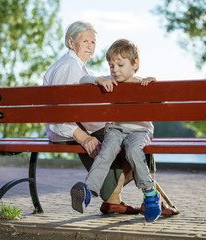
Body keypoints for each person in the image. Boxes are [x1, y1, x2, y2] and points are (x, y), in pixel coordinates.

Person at [43, 21, 157, 214]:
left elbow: (95, 81)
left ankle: (109, 196)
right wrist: (84, 137)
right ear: (71, 42)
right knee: (138, 144)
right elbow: (58, 115)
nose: (90, 46)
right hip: (77, 132)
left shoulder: (77, 67)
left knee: (122, 137)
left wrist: (132, 80)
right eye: (85, 41)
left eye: (93, 42)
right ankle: (143, 198)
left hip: (83, 128)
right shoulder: (70, 66)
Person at [70, 39, 161, 221]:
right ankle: (88, 191)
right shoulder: (111, 82)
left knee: (135, 151)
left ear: (135, 64)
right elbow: (82, 80)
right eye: (111, 66)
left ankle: (150, 193)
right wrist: (99, 79)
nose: (115, 70)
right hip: (117, 129)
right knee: (107, 150)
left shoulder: (143, 85)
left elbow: (160, 103)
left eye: (120, 65)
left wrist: (152, 84)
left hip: (139, 132)